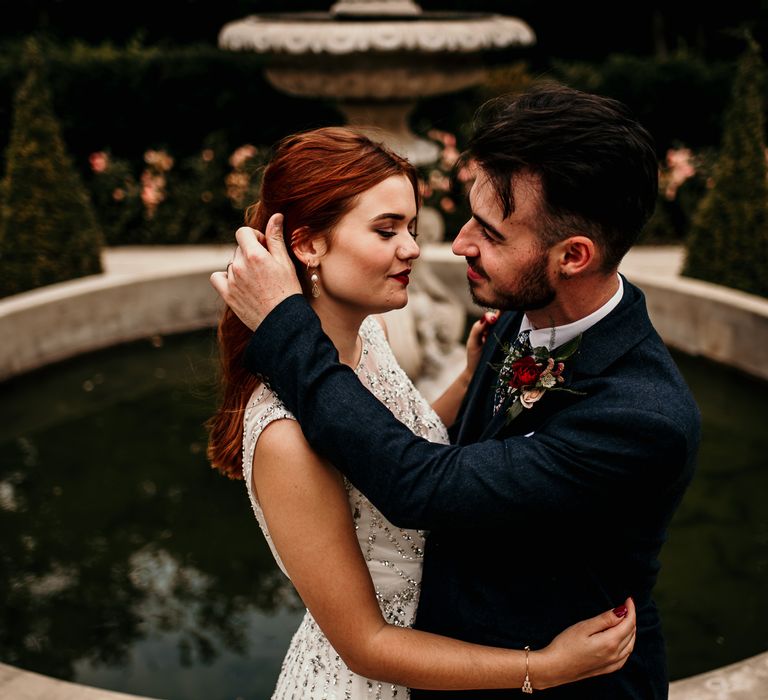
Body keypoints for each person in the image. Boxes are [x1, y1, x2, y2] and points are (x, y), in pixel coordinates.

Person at [207, 126, 636, 698]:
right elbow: (366, 645)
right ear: (308, 244)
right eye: (387, 230)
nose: (414, 248)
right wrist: (546, 667)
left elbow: (389, 447)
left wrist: (465, 380)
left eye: (410, 227)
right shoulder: (283, 437)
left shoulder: (372, 336)